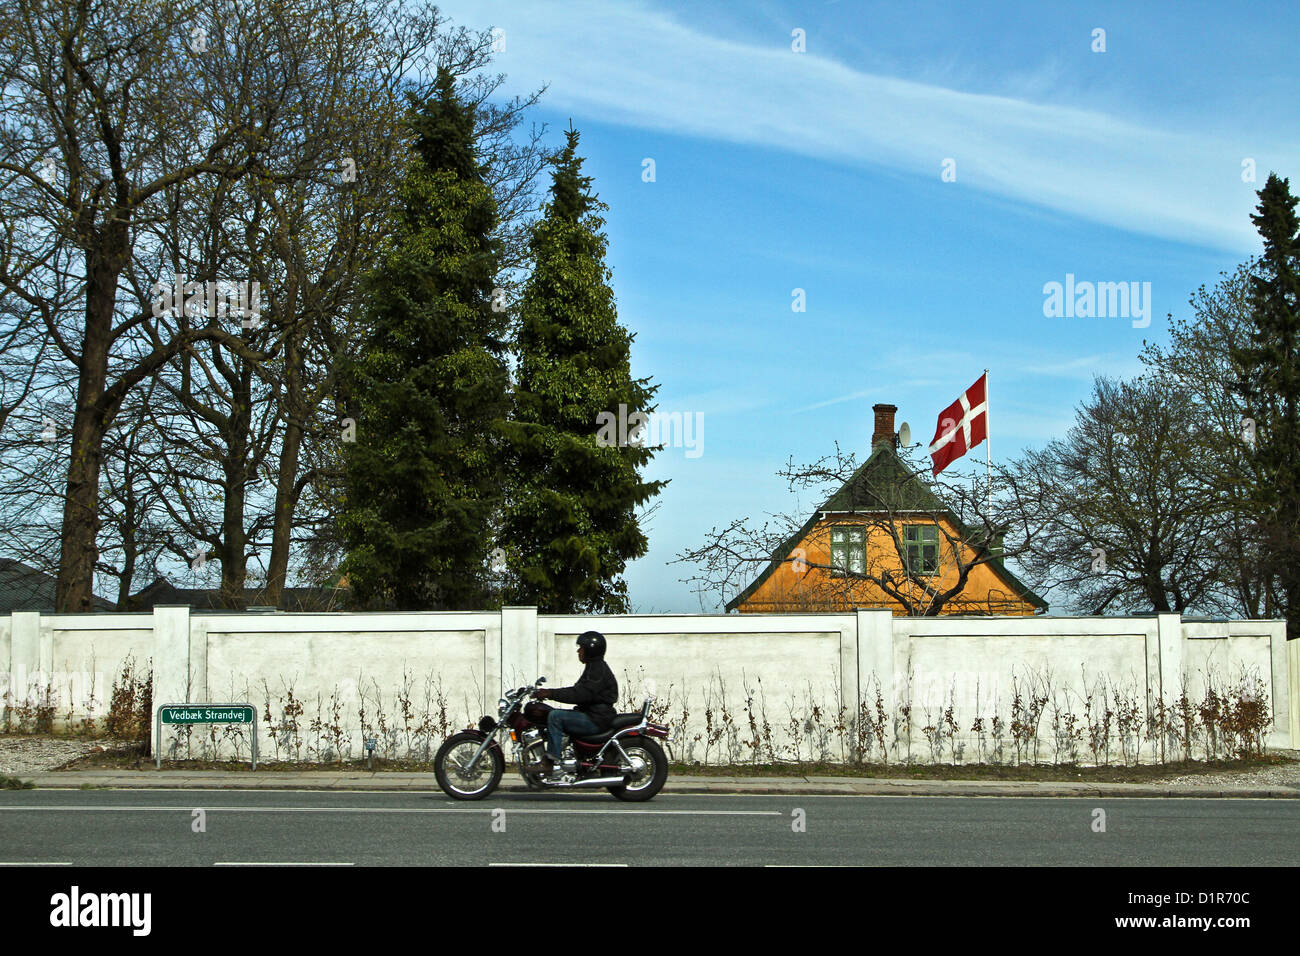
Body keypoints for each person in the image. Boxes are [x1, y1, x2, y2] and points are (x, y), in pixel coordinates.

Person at [531, 630, 617, 778]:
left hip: (596, 719)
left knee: (555, 716)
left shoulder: (597, 670)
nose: (578, 651)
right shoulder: (594, 667)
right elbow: (580, 692)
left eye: (581, 648)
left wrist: (550, 693)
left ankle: (550, 762)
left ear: (590, 649)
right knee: (556, 714)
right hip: (594, 715)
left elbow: (579, 694)